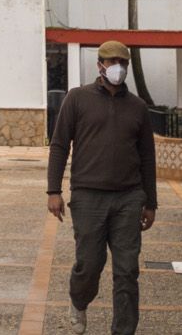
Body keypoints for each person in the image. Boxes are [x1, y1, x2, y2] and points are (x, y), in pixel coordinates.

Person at [47, 39, 157, 335]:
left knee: (127, 271)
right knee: (89, 264)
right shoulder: (77, 99)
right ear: (100, 66)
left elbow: (147, 156)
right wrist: (53, 190)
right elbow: (59, 146)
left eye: (122, 64)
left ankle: (123, 330)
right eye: (112, 63)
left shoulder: (138, 107)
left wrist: (151, 202)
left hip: (129, 197)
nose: (117, 69)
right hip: (88, 196)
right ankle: (78, 301)